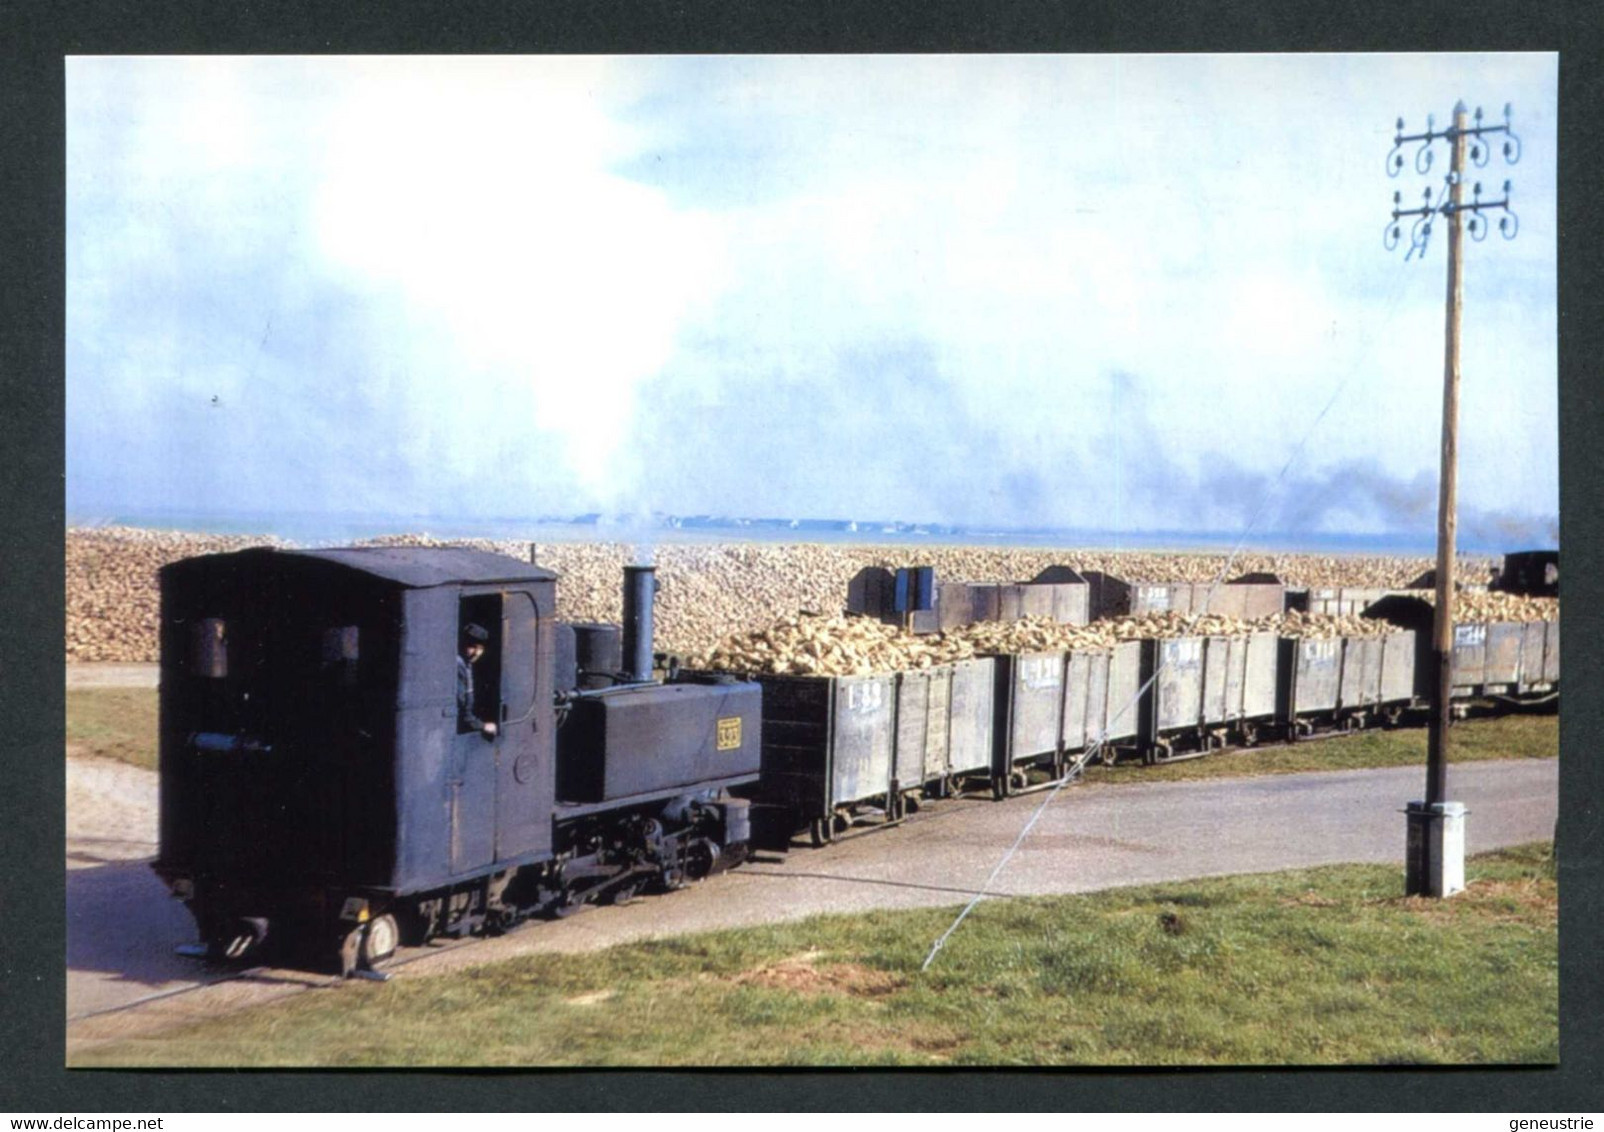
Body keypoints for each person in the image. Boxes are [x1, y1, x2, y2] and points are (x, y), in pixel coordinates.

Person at [456, 622, 497, 737]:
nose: (477, 653)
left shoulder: (467, 664)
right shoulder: (459, 665)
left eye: (481, 648)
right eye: (473, 647)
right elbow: (464, 714)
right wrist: (482, 726)